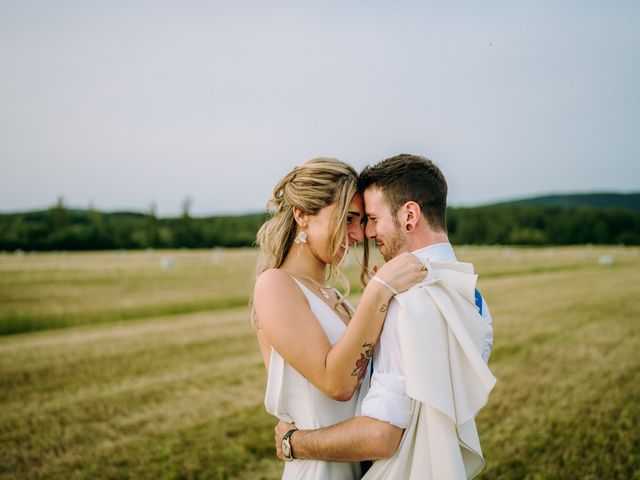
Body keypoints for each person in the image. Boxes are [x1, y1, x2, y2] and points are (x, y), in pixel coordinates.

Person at [274, 154, 496, 479]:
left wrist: (296, 442)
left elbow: (382, 434)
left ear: (409, 216)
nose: (366, 234)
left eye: (373, 219)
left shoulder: (405, 301)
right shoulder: (471, 296)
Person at [252, 157, 427, 479]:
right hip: (320, 470)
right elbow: (337, 383)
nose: (357, 235)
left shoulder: (333, 297)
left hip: (357, 462)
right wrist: (378, 292)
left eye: (361, 221)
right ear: (301, 214)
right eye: (347, 219)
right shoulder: (275, 284)